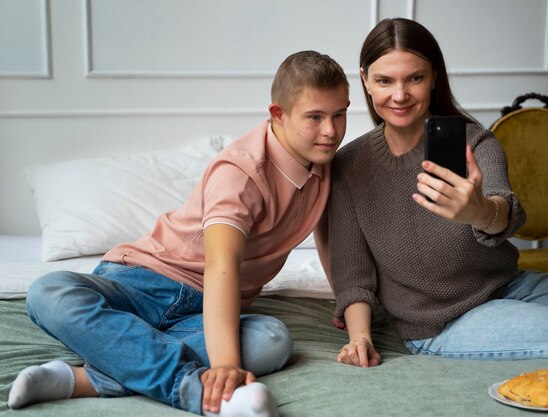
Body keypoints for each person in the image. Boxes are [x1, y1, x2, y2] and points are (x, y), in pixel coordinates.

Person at [8, 50, 350, 416]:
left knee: (272, 340)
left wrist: (345, 299)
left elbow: (326, 236)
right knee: (49, 292)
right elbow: (222, 266)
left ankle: (83, 379)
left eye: (339, 114)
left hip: (204, 312)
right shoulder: (241, 172)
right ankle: (195, 393)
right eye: (314, 117)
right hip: (144, 283)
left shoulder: (324, 163)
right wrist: (224, 367)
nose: (330, 131)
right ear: (278, 114)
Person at [328, 18, 548, 370]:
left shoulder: (475, 142)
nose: (399, 95)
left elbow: (507, 212)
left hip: (512, 286)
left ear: (434, 77)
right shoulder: (348, 166)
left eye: (415, 78)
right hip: (441, 323)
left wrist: (480, 211)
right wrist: (360, 337)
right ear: (365, 80)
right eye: (384, 80)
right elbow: (353, 277)